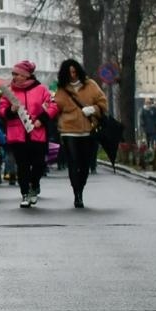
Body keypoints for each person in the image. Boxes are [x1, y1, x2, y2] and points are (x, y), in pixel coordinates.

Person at [0, 60, 59, 208]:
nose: (14, 77)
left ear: (26, 75)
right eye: (13, 74)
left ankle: (34, 186)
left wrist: (42, 120)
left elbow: (53, 105)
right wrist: (10, 111)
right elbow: (1, 110)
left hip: (37, 133)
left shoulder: (41, 89)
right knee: (22, 166)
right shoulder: (9, 92)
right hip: (17, 134)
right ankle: (24, 193)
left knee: (39, 164)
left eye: (17, 74)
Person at [54, 58, 110, 208]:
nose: (73, 75)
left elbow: (103, 102)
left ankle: (81, 187)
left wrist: (93, 109)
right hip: (68, 130)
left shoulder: (90, 85)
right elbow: (56, 106)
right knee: (73, 161)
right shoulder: (62, 89)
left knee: (85, 163)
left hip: (87, 130)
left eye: (75, 71)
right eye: (69, 72)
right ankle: (76, 194)